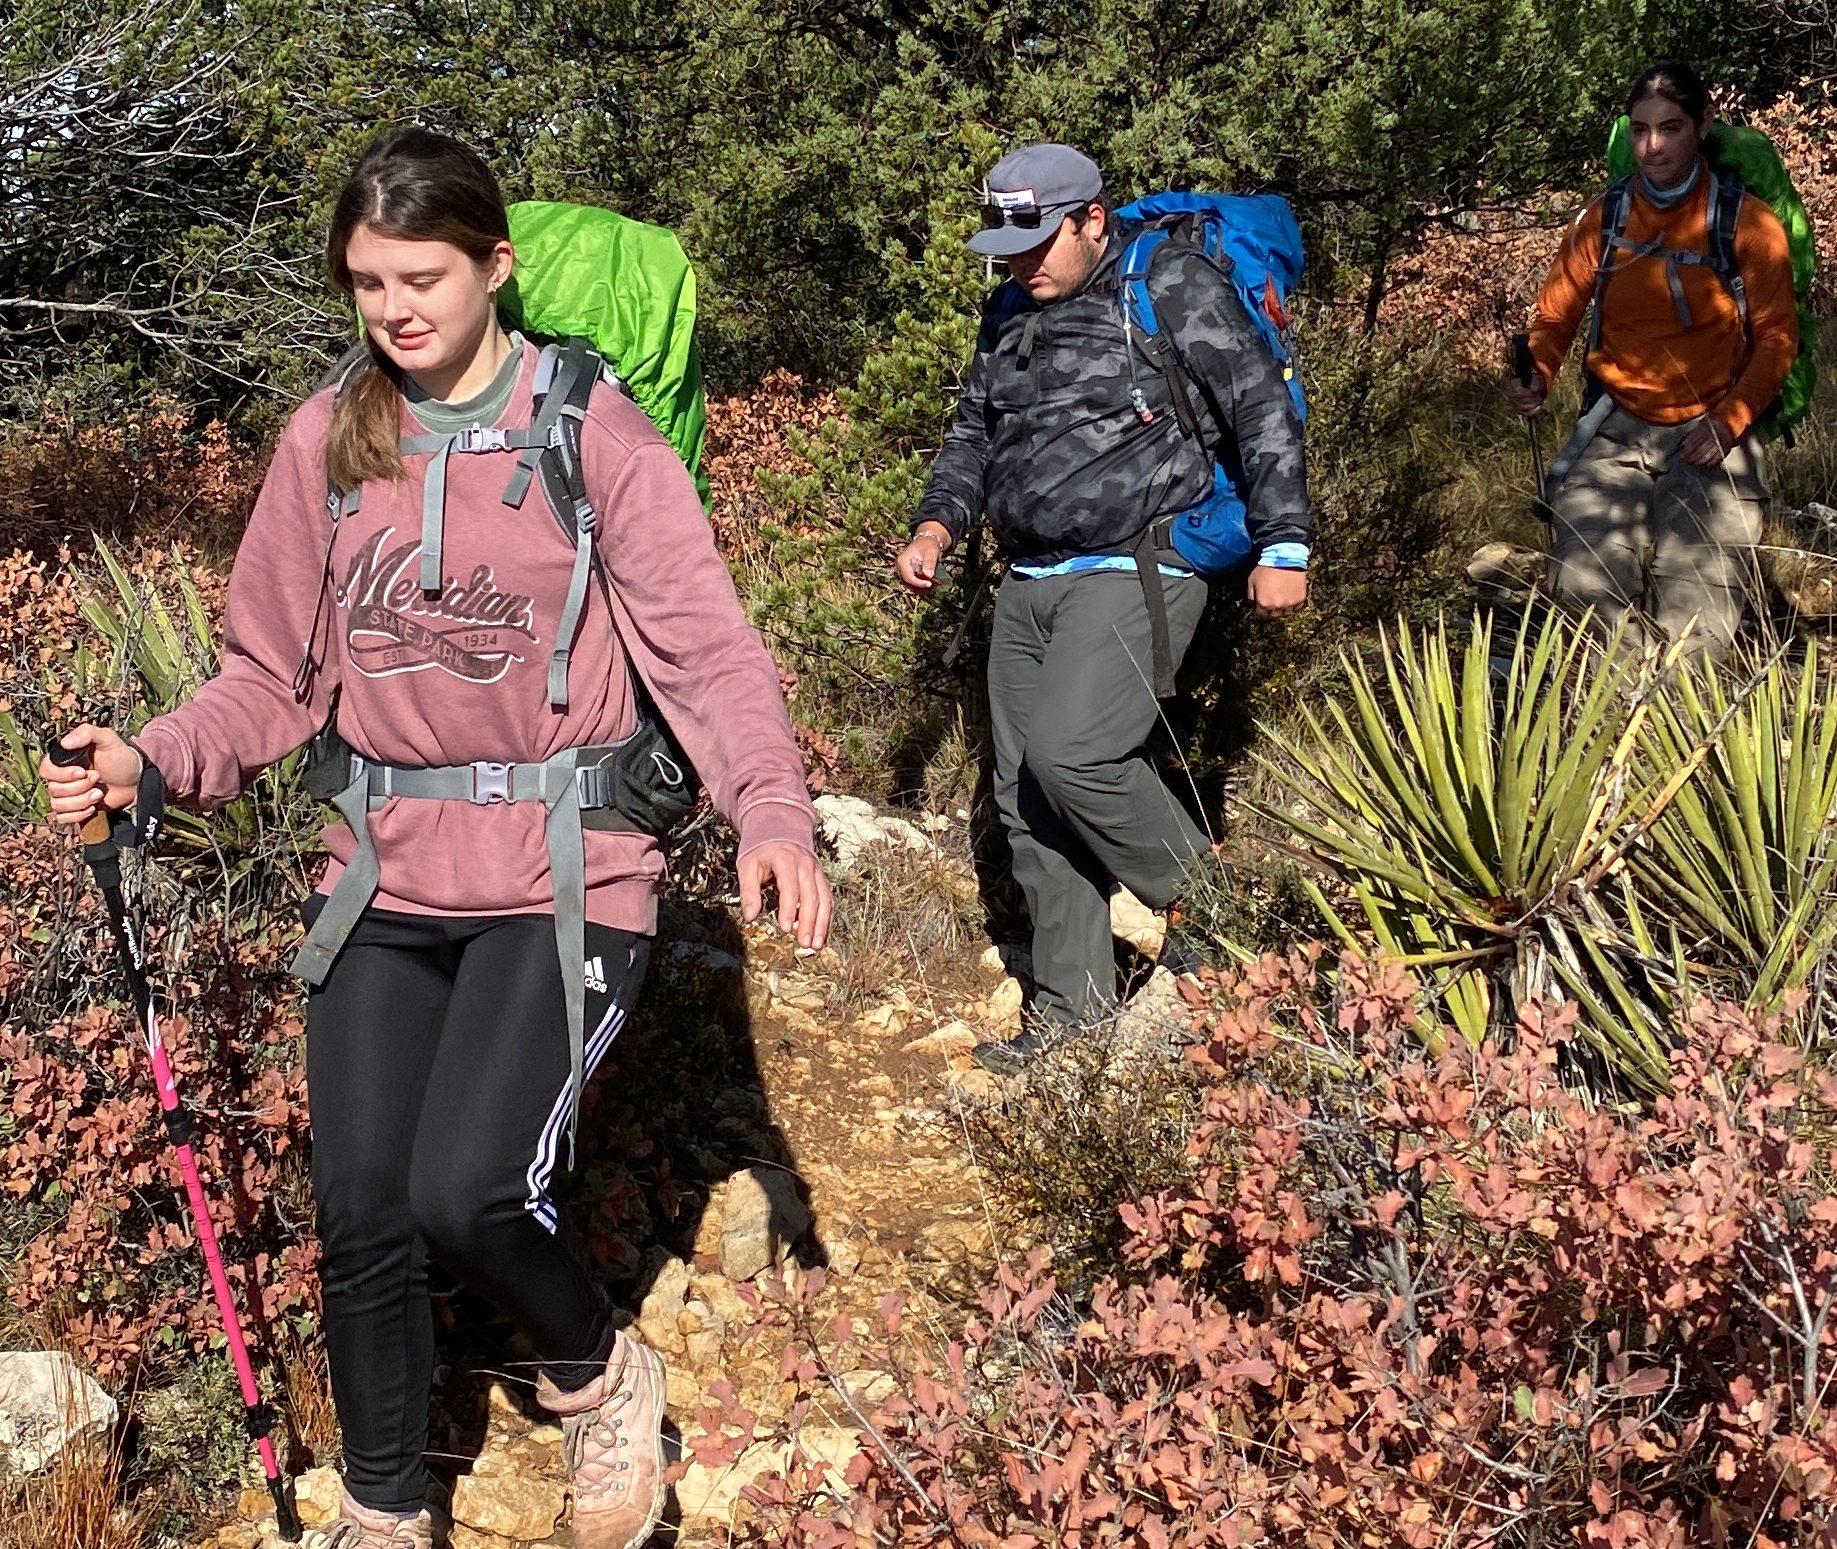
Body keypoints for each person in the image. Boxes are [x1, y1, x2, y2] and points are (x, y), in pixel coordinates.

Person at [39, 128, 830, 1549]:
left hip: (565, 873)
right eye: (366, 282)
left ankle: (595, 1374)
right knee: (362, 1213)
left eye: (423, 276)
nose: (395, 308)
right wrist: (148, 760)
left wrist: (772, 808)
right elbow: (265, 680)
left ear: (493, 268)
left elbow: (708, 653)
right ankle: (388, 1506)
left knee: (467, 1186)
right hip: (383, 873)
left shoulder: (594, 433)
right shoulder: (328, 441)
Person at [894, 144, 1312, 1065]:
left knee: (1072, 753)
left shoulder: (1165, 281)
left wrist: (1285, 545)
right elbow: (976, 428)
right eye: (1008, 244)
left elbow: (1258, 408)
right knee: (1020, 793)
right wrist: (936, 526)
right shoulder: (1009, 305)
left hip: (1142, 565)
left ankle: (1214, 910)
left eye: (1039, 240)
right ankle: (1070, 1013)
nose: (1022, 261)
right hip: (1029, 577)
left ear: (1091, 219)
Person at [1508, 62, 1797, 655]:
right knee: (1582, 584)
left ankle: (1676, 724)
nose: (1653, 146)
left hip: (1714, 428)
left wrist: (1730, 419)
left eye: (1670, 128)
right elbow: (1557, 314)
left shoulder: (1748, 224)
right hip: (1615, 425)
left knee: (1700, 612)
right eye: (1640, 130)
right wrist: (1536, 370)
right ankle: (1630, 715)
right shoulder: (1603, 218)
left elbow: (1776, 340)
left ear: (1703, 125)